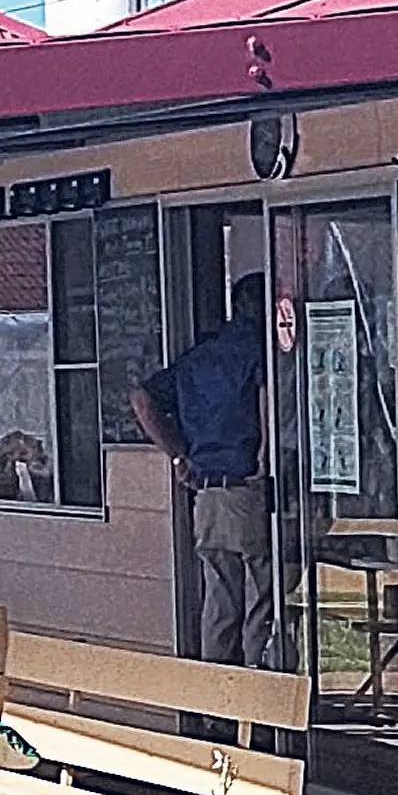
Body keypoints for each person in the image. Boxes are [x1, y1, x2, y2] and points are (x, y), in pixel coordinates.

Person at [132, 274, 273, 669]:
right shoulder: (259, 351)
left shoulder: (201, 355)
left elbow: (142, 399)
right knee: (264, 597)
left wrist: (179, 456)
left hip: (206, 491)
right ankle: (258, 713)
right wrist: (265, 454)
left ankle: (217, 710)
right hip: (246, 485)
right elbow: (268, 405)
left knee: (220, 599)